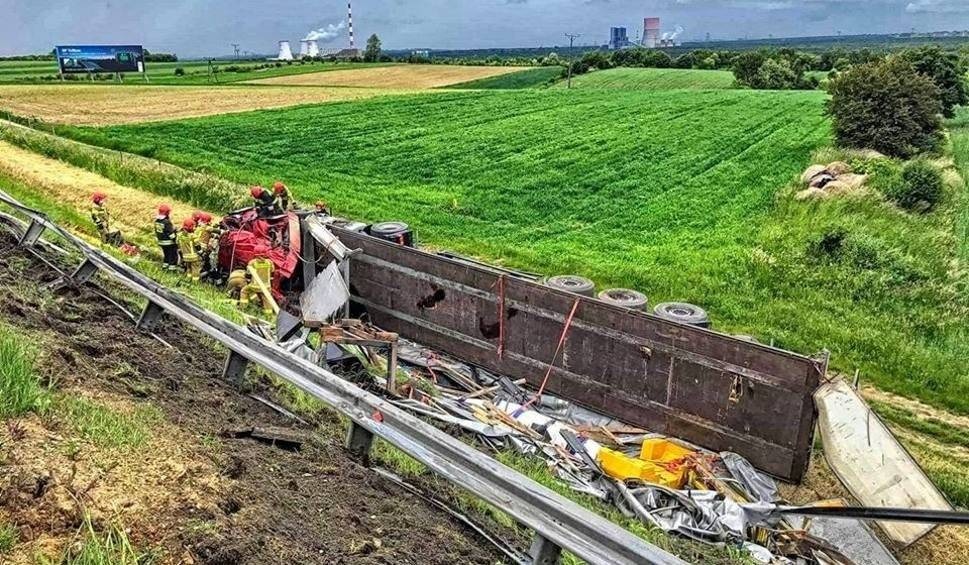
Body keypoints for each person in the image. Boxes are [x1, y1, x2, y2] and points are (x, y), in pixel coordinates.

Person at [238, 246, 276, 316]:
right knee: (267, 299)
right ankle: (268, 315)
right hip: (266, 286)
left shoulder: (252, 263)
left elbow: (248, 275)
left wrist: (248, 281)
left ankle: (242, 308)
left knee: (244, 291)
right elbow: (272, 275)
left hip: (254, 286)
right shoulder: (270, 263)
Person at [154, 204, 179, 270]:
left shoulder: (157, 221)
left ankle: (165, 267)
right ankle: (172, 270)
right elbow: (170, 233)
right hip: (169, 242)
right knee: (173, 256)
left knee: (166, 255)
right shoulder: (167, 222)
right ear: (167, 213)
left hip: (161, 242)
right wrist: (175, 239)